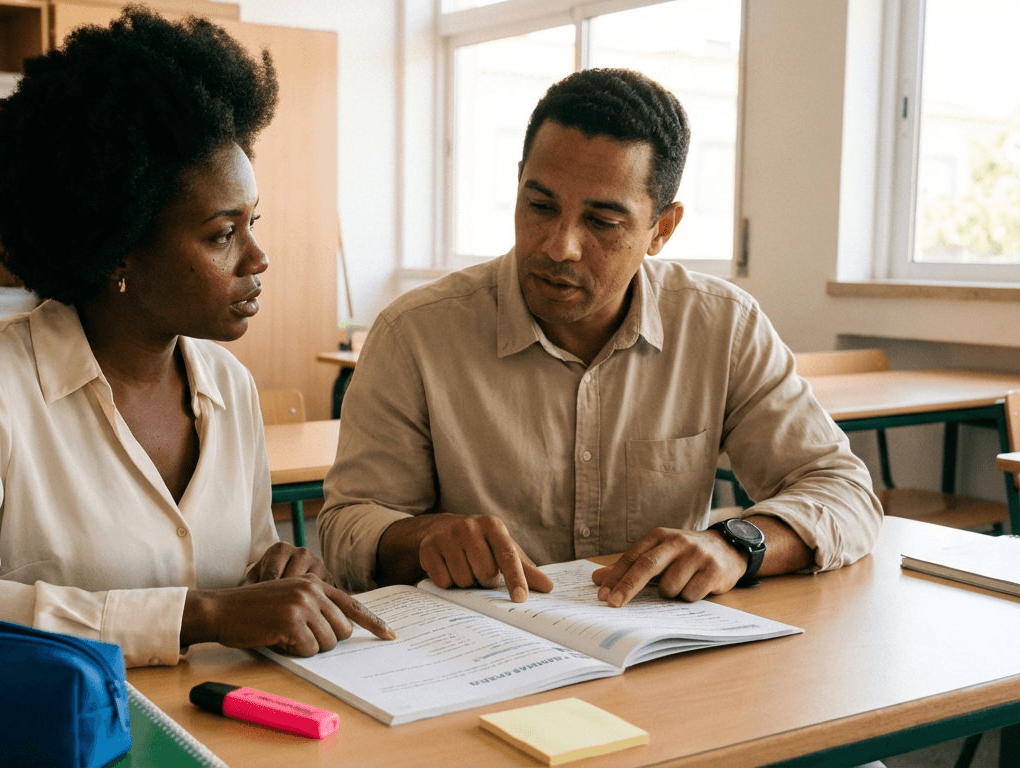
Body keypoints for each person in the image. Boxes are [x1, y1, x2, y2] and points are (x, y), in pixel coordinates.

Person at [0, 8, 393, 667]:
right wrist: (197, 614)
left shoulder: (229, 385)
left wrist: (275, 572)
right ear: (117, 252)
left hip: (217, 721)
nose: (258, 258)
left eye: (253, 221)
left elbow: (242, 565)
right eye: (222, 234)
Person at [318, 68, 882, 607]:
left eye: (603, 222)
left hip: (652, 652)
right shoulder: (415, 334)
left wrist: (734, 543)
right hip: (479, 652)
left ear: (662, 228)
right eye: (539, 206)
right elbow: (348, 524)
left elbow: (844, 492)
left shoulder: (721, 326)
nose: (559, 245)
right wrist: (422, 538)